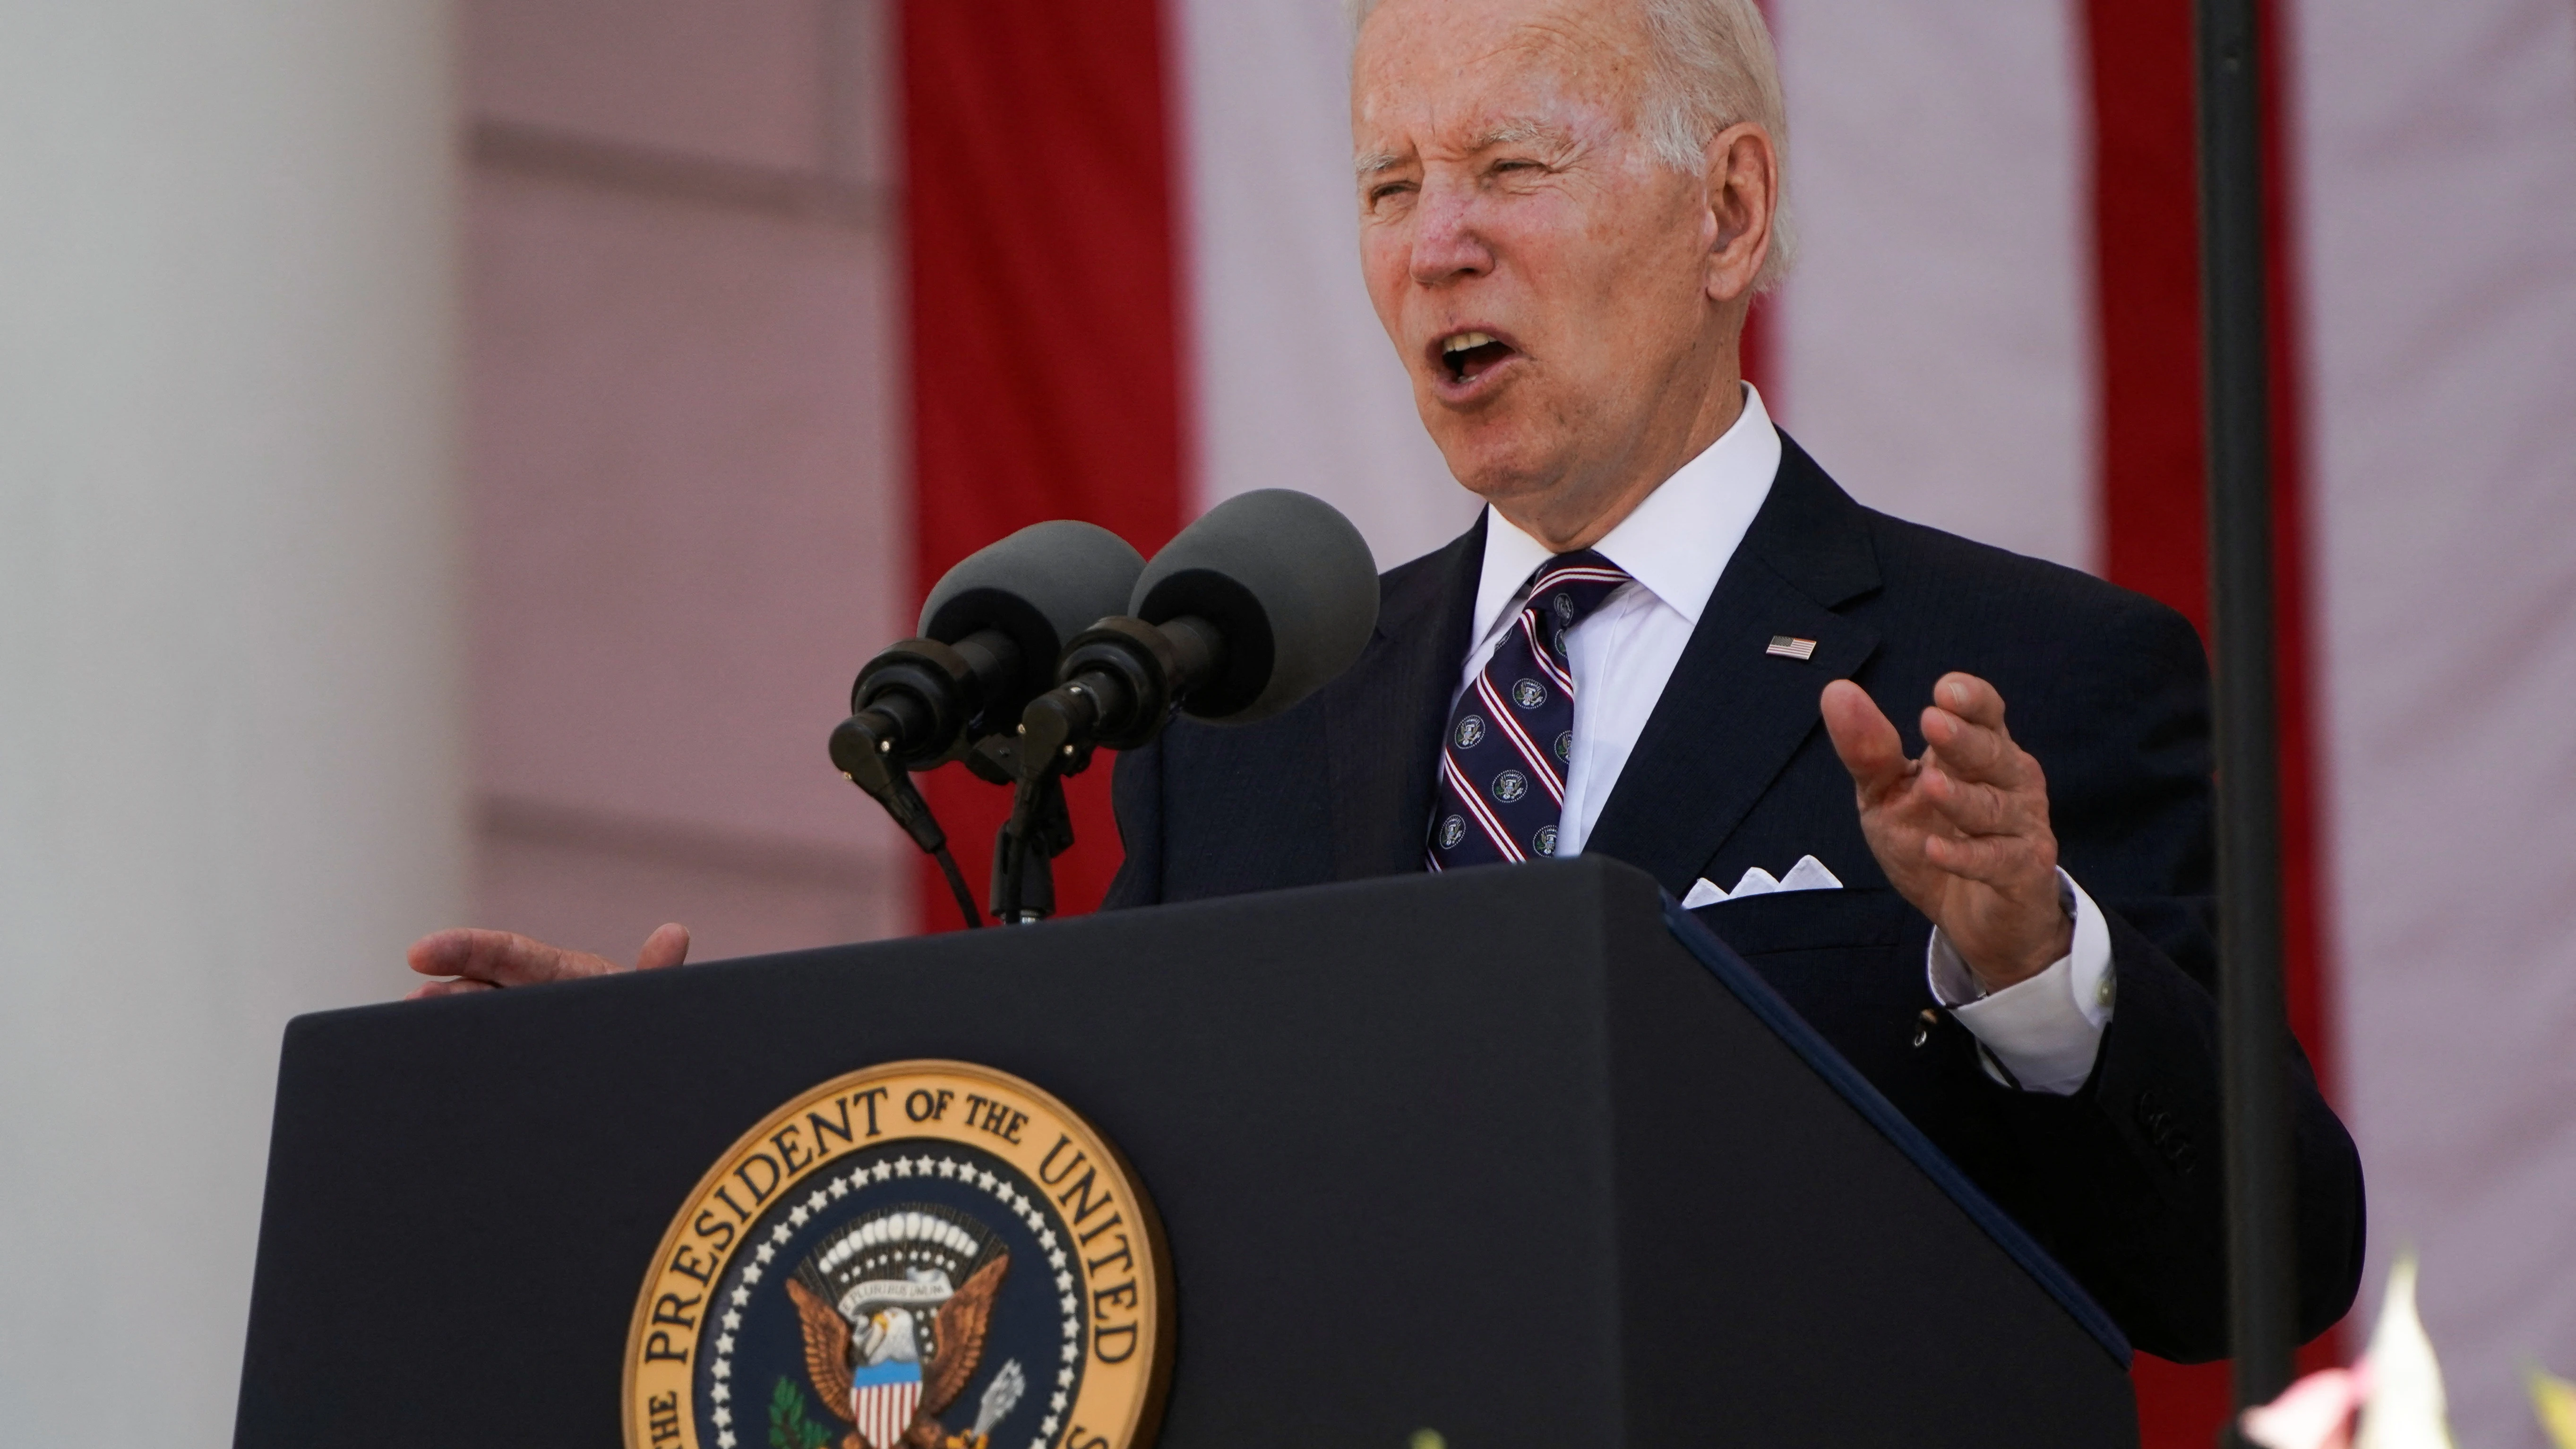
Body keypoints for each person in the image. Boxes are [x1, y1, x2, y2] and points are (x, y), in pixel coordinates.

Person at [409, 0, 2363, 1363]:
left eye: (1509, 163)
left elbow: (2258, 1269)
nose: (1438, 246)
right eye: (1384, 184)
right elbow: (1078, 1207)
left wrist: (2035, 963)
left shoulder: (2026, 680)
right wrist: (678, 1112)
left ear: (1730, 212)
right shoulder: (1242, 726)